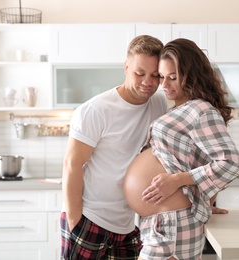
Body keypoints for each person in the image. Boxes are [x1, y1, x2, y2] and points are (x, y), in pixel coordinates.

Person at [123, 38, 239, 259]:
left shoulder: (200, 110)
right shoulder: (181, 108)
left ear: (191, 76)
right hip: (163, 221)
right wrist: (203, 199)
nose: (164, 85)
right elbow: (201, 160)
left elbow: (231, 163)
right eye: (162, 77)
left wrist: (179, 180)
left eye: (173, 78)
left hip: (173, 223)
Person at [60, 35, 168, 259]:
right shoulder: (97, 109)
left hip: (128, 224)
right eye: (140, 73)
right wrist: (75, 222)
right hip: (89, 218)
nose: (148, 81)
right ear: (126, 67)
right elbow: (72, 164)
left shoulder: (160, 103)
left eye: (155, 75)